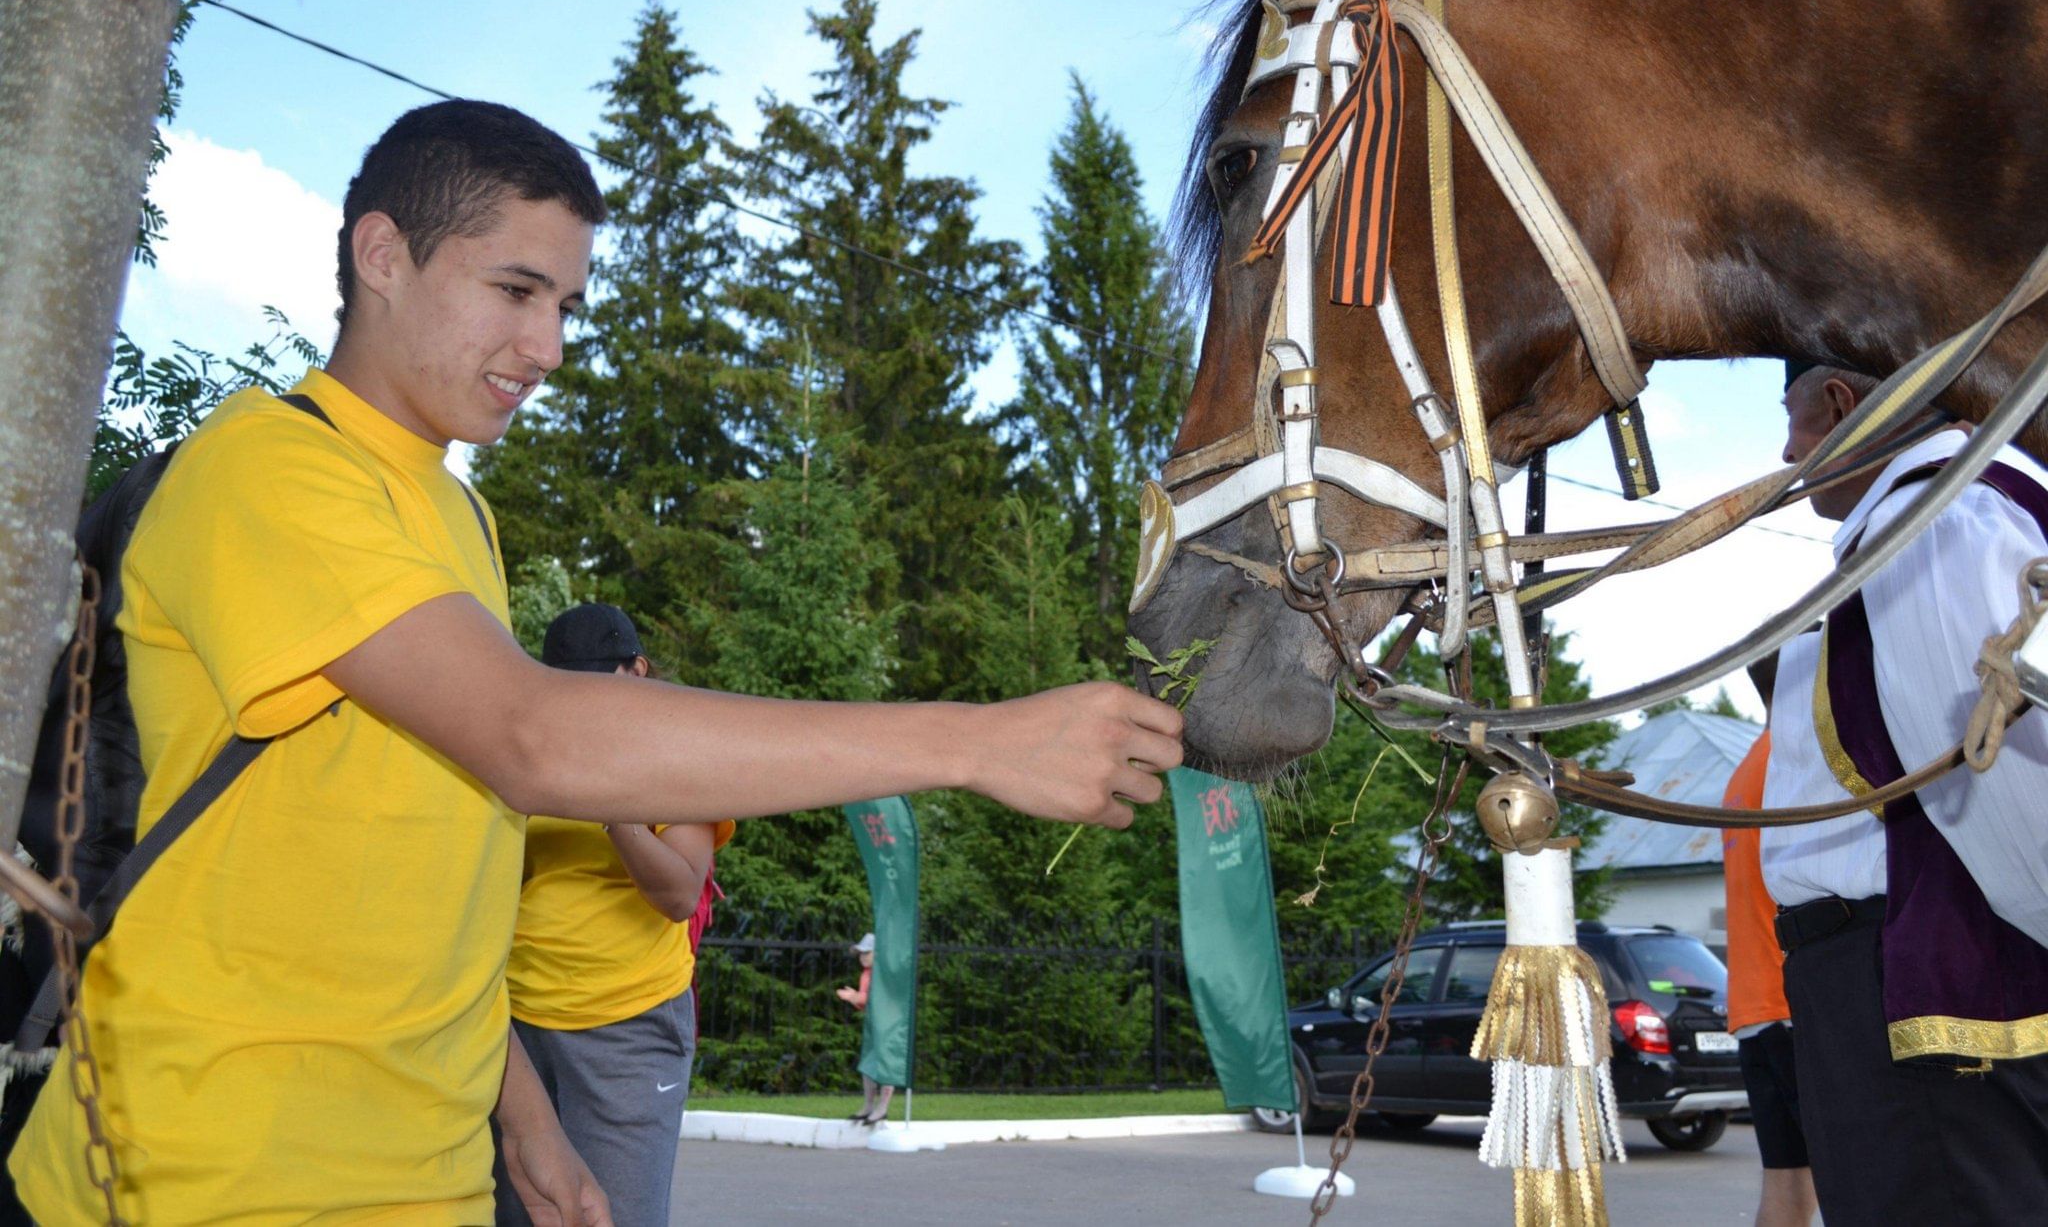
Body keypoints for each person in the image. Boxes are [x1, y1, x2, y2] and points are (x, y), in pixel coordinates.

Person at [8, 99, 1181, 1225]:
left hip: (421, 1177)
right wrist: (975, 740)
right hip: (202, 1174)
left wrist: (526, 1123)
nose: (549, 345)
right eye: (515, 290)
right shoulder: (266, 470)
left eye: (567, 303)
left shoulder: (457, 519)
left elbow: (429, 879)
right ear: (381, 254)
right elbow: (535, 740)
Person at [1760, 360, 2048, 1225]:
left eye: (1795, 420)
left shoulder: (1929, 522)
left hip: (1923, 990)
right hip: (1892, 979)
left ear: (1843, 400)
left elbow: (1997, 781)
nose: (1787, 452)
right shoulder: (1929, 518)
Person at [494, 603, 731, 1227]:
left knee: (616, 1217)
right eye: (568, 684)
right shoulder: (530, 758)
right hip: (516, 1025)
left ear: (639, 670)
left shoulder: (681, 759)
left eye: (601, 680)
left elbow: (679, 894)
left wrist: (608, 804)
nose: (586, 700)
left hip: (624, 1024)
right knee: (523, 1214)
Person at [1720, 721, 1817, 1227]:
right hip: (1795, 1005)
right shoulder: (1798, 754)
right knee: (1859, 1175)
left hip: (1758, 1007)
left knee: (1787, 1180)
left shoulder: (1748, 769)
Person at [834, 932, 893, 1125]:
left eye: (867, 953)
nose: (863, 957)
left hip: (886, 1024)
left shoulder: (882, 973)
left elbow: (877, 998)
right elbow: (865, 1001)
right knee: (868, 1063)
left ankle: (882, 1107)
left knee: (884, 1064)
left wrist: (854, 997)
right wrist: (856, 998)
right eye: (861, 953)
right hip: (872, 1022)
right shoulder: (866, 974)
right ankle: (868, 1105)